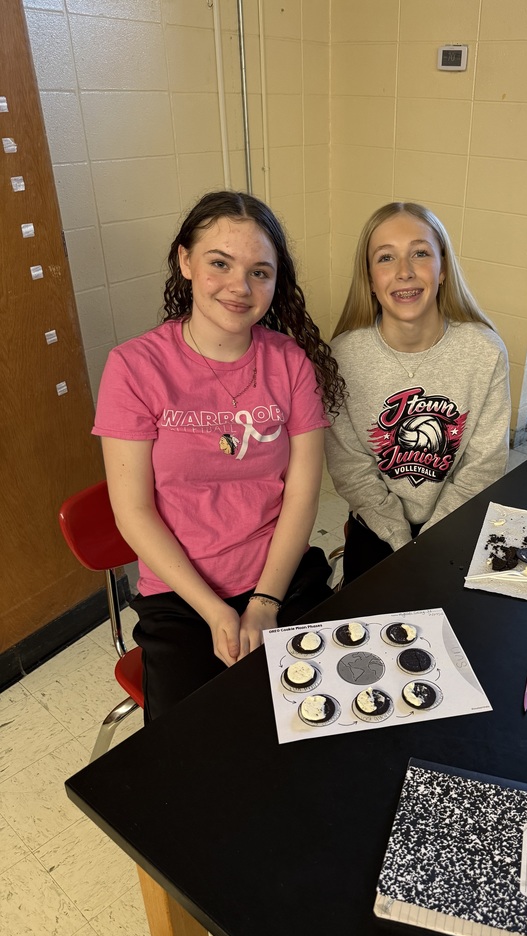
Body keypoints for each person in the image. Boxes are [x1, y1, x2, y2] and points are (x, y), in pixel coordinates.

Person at [93, 191, 345, 720]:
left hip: (281, 578)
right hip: (182, 596)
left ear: (276, 283)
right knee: (199, 750)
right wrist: (214, 612)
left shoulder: (290, 362)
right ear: (185, 260)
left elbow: (302, 493)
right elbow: (132, 511)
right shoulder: (134, 368)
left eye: (260, 272)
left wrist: (265, 603)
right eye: (220, 263)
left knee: (336, 719)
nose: (240, 286)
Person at [325, 201, 511, 583]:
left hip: (456, 521)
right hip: (377, 524)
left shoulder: (484, 351)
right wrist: (399, 540)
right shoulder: (341, 357)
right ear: (370, 278)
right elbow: (350, 468)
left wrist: (429, 541)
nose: (404, 272)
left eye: (420, 254)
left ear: (442, 269)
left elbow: (484, 466)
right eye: (386, 258)